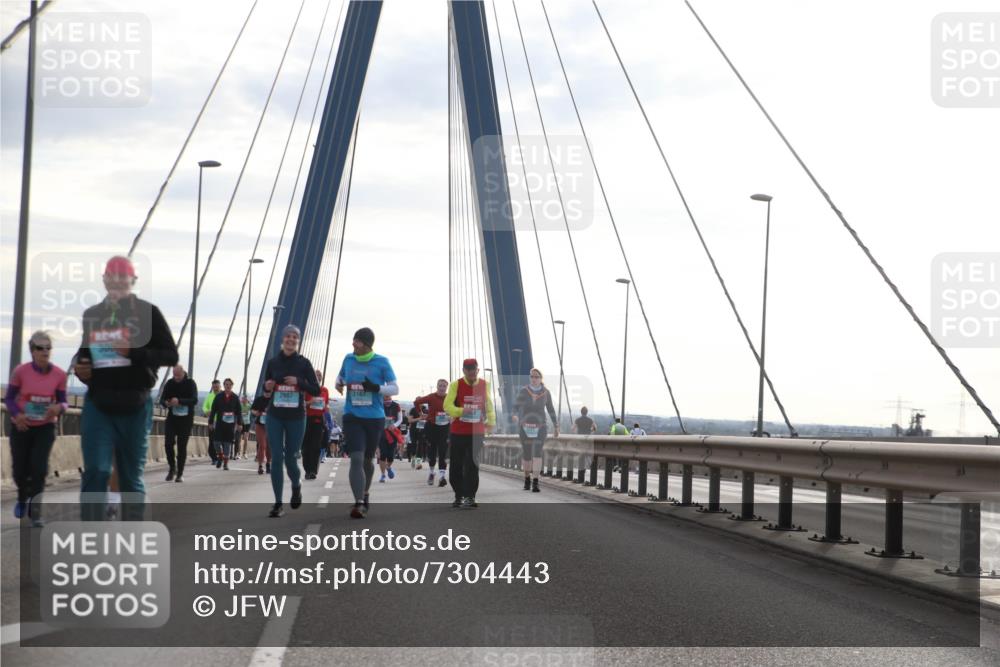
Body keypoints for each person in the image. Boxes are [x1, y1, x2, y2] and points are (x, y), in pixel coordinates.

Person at [74, 255, 178, 521]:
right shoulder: (93, 315)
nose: (117, 282)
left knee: (131, 478)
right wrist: (80, 366)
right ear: (104, 281)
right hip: (99, 403)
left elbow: (170, 355)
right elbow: (85, 353)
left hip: (135, 404)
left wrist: (135, 352)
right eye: (112, 277)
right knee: (97, 470)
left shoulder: (148, 313)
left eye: (123, 277)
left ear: (133, 281)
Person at [4, 331, 68, 526]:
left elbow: (64, 402)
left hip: (45, 427)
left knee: (39, 468)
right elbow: (8, 398)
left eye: (48, 348)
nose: (45, 351)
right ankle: (23, 498)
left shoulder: (59, 374)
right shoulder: (20, 372)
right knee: (19, 469)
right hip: (22, 426)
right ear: (32, 351)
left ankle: (36, 510)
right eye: (40, 348)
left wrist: (59, 407)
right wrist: (17, 415)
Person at [334, 327, 398, 519]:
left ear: (367, 344)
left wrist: (377, 388)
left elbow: (395, 388)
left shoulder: (381, 362)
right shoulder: (349, 358)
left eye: (358, 341)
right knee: (356, 458)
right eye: (353, 340)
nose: (353, 344)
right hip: (352, 416)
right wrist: (338, 383)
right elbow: (341, 376)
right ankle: (359, 502)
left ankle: (365, 493)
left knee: (368, 461)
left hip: (374, 419)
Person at [263, 324, 320, 517]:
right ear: (282, 340)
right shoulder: (272, 363)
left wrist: (299, 382)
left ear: (298, 341)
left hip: (296, 417)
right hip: (275, 416)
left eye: (294, 337)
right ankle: (278, 504)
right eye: (287, 336)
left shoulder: (304, 364)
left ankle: (296, 485)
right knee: (277, 457)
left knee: (291, 458)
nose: (291, 339)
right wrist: (268, 386)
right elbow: (265, 391)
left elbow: (316, 390)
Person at [443, 358, 495, 509]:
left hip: (477, 432)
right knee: (457, 465)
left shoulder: (485, 384)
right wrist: (462, 410)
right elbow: (447, 406)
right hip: (458, 431)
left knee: (473, 464)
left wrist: (491, 422)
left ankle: (470, 496)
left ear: (478, 370)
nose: (471, 373)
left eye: (474, 370)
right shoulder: (456, 384)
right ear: (464, 371)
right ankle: (459, 495)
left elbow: (489, 405)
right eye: (468, 370)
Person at [513, 368, 558, 493]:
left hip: (541, 426)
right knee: (527, 454)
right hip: (525, 426)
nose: (534, 379)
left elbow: (551, 410)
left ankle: (536, 482)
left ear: (541, 379)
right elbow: (515, 406)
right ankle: (527, 479)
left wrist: (556, 425)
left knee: (537, 452)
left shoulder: (546, 393)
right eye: (532, 376)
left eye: (536, 377)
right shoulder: (523, 391)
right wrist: (514, 415)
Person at [160, 364, 198, 482]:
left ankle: (179, 474)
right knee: (168, 443)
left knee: (182, 446)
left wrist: (180, 401)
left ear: (183, 373)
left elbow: (194, 400)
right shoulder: (170, 383)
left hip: (186, 419)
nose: (176, 378)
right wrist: (166, 403)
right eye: (174, 375)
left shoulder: (190, 383)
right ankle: (172, 468)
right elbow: (162, 399)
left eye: (178, 375)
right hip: (172, 417)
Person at [414, 380, 451, 487]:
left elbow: (458, 407)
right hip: (432, 427)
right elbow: (417, 402)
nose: (442, 388)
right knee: (432, 452)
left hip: (444, 428)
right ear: (437, 386)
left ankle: (442, 477)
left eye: (444, 386)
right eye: (440, 386)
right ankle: (431, 473)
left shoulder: (450, 397)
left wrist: (454, 415)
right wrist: (421, 414)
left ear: (447, 387)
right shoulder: (431, 397)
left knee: (443, 453)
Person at [208, 378, 243, 470]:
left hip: (230, 424)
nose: (228, 386)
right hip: (219, 423)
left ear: (232, 386)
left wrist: (240, 423)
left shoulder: (235, 397)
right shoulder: (219, 396)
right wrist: (210, 422)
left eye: (229, 384)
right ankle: (220, 456)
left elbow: (239, 412)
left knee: (227, 443)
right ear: (224, 386)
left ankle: (226, 464)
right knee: (216, 442)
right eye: (226, 384)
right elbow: (213, 410)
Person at [302, 369, 329, 480]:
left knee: (316, 446)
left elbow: (326, 405)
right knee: (306, 447)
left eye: (319, 375)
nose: (317, 377)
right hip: (306, 420)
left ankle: (313, 471)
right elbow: (299, 403)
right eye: (315, 375)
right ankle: (307, 470)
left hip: (318, 421)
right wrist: (310, 402)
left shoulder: (324, 390)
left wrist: (326, 407)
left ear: (321, 378)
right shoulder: (305, 389)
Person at [378, 395, 403, 482]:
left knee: (391, 456)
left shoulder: (396, 405)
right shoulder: (379, 404)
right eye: (385, 398)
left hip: (393, 432)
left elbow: (400, 419)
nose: (387, 400)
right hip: (382, 432)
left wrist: (394, 425)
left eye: (388, 398)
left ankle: (388, 467)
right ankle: (383, 475)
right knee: (383, 454)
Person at [251, 389, 271, 475]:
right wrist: (256, 413)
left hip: (271, 425)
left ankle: (268, 463)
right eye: (265, 391)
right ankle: (260, 466)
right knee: (262, 445)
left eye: (269, 391)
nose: (267, 393)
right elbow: (252, 410)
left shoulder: (274, 399)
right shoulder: (259, 399)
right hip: (260, 424)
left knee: (269, 446)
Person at [202, 379, 222, 462]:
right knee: (212, 439)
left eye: (217, 387)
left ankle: (222, 455)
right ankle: (214, 458)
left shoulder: (224, 395)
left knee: (221, 440)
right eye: (214, 387)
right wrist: (206, 411)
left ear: (220, 386)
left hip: (222, 421)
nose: (215, 388)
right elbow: (204, 406)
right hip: (212, 421)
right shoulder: (209, 396)